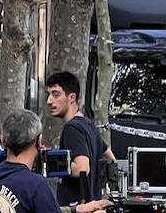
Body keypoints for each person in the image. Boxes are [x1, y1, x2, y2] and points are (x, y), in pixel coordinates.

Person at [45, 71, 116, 205]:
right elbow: (111, 159)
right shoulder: (89, 125)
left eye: (55, 94)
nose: (49, 101)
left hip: (77, 210)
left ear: (72, 97)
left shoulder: (72, 128)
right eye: (48, 94)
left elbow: (82, 168)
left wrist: (48, 163)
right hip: (93, 208)